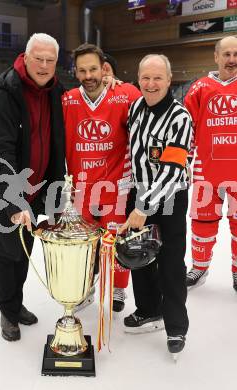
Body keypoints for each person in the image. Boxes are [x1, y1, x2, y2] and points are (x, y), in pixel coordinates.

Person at [0, 33, 66, 341]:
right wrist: (13, 201)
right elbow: (0, 151)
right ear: (25, 58)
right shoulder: (5, 93)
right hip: (3, 192)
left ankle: (16, 303)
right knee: (4, 253)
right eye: (37, 58)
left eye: (49, 60)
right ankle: (8, 313)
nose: (43, 65)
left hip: (35, 189)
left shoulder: (55, 91)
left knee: (23, 251)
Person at [119, 54, 192, 356]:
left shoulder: (180, 118)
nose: (151, 84)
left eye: (157, 78)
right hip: (140, 193)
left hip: (171, 196)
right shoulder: (135, 107)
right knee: (138, 255)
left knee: (171, 264)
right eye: (145, 78)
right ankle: (149, 308)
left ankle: (176, 326)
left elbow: (172, 170)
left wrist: (142, 208)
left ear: (169, 80)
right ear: (138, 80)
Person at [62, 43, 141, 312]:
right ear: (75, 71)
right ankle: (86, 288)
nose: (88, 75)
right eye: (82, 70)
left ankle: (118, 290)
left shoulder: (124, 94)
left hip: (115, 190)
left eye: (93, 68)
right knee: (85, 245)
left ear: (103, 68)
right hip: (82, 191)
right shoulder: (68, 99)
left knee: (116, 241)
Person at [184, 36, 237, 291]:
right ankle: (199, 268)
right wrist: (185, 162)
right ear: (216, 57)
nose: (232, 59)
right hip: (207, 172)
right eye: (226, 54)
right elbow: (187, 130)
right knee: (202, 223)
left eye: (236, 54)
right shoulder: (199, 88)